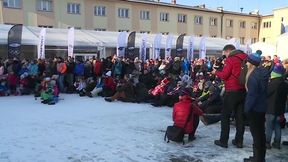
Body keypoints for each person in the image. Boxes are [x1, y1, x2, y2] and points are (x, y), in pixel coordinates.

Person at [212, 44, 247, 148]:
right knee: (240, 117)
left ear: (228, 51)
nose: (225, 56)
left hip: (232, 90)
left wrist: (216, 72)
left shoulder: (231, 59)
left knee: (225, 116)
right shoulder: (245, 57)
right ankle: (239, 141)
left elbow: (224, 75)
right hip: (243, 89)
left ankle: (223, 141)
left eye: (225, 54)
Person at [243, 51, 269, 162]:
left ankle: (258, 158)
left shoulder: (253, 76)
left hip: (254, 109)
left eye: (247, 61)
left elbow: (252, 95)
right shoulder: (261, 73)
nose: (246, 63)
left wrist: (246, 109)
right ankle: (259, 157)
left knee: (257, 135)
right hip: (262, 107)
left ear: (251, 63)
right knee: (260, 134)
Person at [266, 63, 288, 149]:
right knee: (277, 126)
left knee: (269, 126)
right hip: (280, 109)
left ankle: (267, 142)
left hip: (271, 108)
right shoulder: (285, 84)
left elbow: (266, 93)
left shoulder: (273, 83)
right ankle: (277, 142)